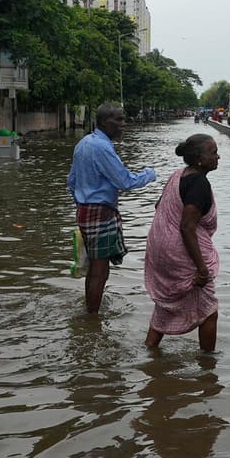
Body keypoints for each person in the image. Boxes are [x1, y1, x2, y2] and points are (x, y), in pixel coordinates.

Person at [67, 103, 157, 314]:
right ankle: (92, 319)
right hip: (100, 213)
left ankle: (90, 312)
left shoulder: (84, 143)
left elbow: (71, 181)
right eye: (118, 120)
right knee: (100, 270)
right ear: (105, 121)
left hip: (85, 211)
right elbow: (124, 181)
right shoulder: (102, 147)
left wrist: (81, 203)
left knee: (94, 267)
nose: (123, 125)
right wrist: (149, 174)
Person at [144, 134, 221, 352]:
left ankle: (150, 350)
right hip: (180, 253)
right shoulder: (199, 185)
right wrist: (201, 269)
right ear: (199, 158)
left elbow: (160, 206)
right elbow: (187, 227)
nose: (218, 157)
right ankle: (208, 367)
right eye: (213, 153)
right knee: (208, 311)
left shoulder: (178, 175)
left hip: (160, 249)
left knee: (167, 303)